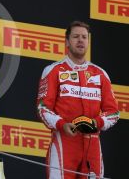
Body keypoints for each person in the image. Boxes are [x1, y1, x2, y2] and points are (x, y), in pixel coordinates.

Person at [36, 21, 119, 179]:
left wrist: (97, 123)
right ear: (67, 42)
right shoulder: (53, 70)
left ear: (88, 41)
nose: (80, 40)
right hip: (64, 141)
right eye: (75, 37)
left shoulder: (100, 74)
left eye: (84, 37)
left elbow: (113, 112)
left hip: (93, 145)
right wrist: (61, 124)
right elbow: (42, 108)